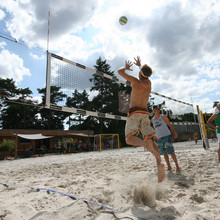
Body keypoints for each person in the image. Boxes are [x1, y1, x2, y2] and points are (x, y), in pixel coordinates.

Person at [118, 56, 165, 183]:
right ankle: (159, 162)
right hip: (145, 113)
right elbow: (145, 74)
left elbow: (119, 72)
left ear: (139, 73)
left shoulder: (135, 81)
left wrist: (126, 67)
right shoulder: (149, 84)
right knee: (150, 138)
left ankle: (145, 145)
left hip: (134, 113)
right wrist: (140, 66)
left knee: (129, 139)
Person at [152, 105, 180, 173]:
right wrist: (155, 137)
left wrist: (174, 132)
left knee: (171, 152)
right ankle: (169, 166)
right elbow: (155, 129)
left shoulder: (163, 116)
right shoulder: (153, 119)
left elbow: (170, 125)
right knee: (164, 153)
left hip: (166, 136)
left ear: (159, 110)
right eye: (154, 109)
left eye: (156, 109)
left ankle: (177, 166)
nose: (155, 110)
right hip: (159, 138)